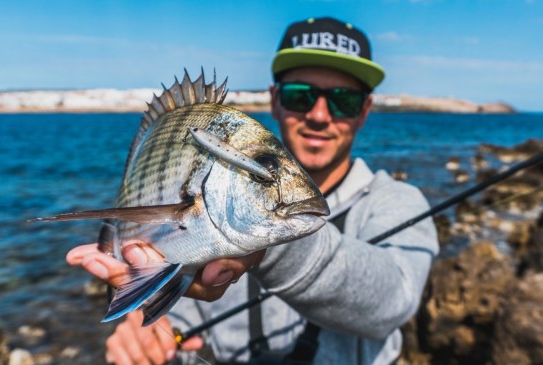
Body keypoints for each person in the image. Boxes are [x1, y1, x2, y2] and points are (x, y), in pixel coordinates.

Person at [67, 17, 439, 365]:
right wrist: (155, 335)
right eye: (300, 96)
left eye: (345, 100)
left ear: (365, 110)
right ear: (275, 99)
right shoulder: (213, 202)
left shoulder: (397, 202)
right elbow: (178, 290)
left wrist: (265, 248)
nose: (320, 115)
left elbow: (394, 301)